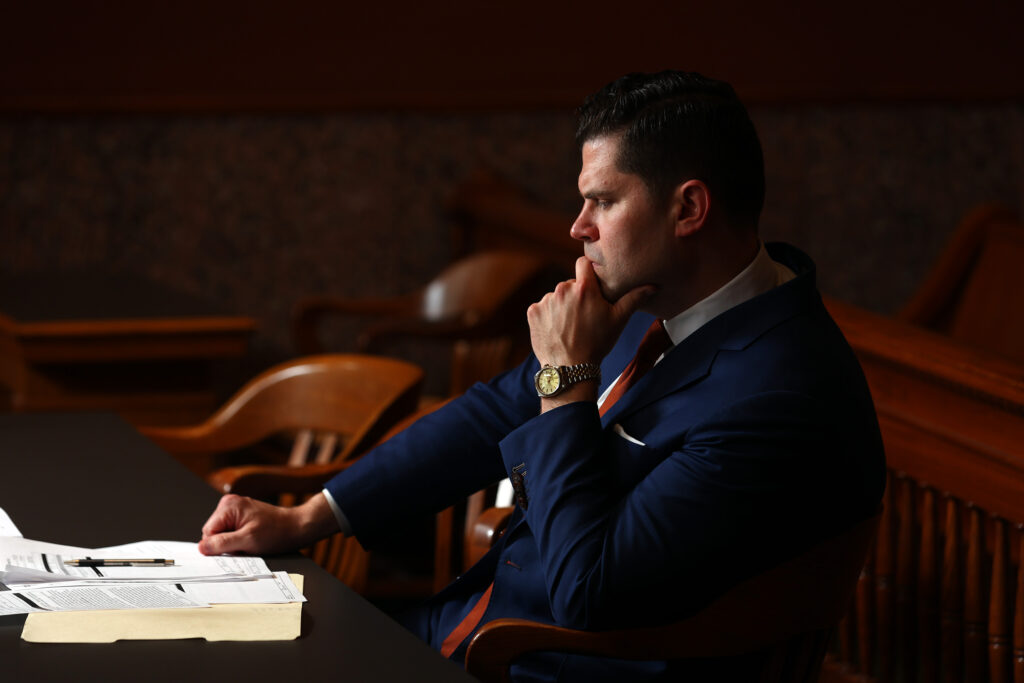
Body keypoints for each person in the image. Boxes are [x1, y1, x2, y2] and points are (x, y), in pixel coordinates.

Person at [199, 71, 886, 681]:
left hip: (533, 661)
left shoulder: (778, 394)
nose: (576, 227)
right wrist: (309, 517)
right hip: (464, 630)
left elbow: (592, 593)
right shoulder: (657, 300)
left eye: (603, 201)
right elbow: (493, 412)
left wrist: (567, 378)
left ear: (689, 209)